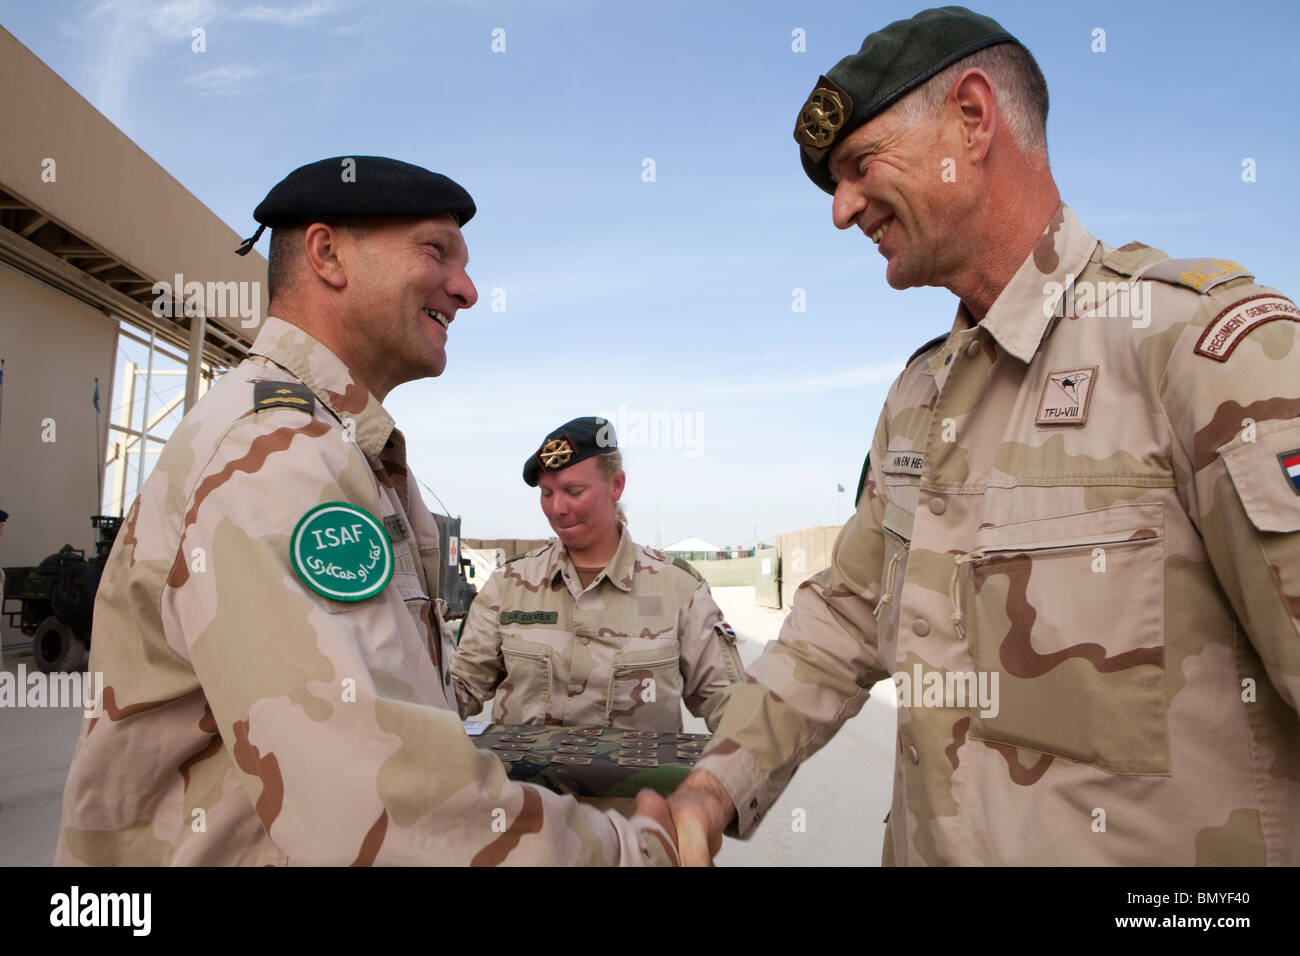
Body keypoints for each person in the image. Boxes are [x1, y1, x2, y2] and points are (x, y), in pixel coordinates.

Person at [670, 6, 1300, 866]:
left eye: (859, 167)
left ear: (972, 119)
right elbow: (841, 621)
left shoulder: (1199, 349)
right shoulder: (917, 397)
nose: (844, 210)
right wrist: (711, 791)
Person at [55, 156, 678, 866]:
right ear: (327, 254)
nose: (467, 290)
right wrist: (632, 852)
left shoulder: (341, 448)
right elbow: (382, 803)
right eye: (436, 252)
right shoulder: (273, 452)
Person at [451, 417, 745, 731]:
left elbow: (734, 708)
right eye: (547, 493)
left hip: (636, 780)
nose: (557, 508)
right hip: (519, 781)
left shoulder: (680, 590)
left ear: (616, 485)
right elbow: (457, 689)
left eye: (574, 491)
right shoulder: (509, 585)